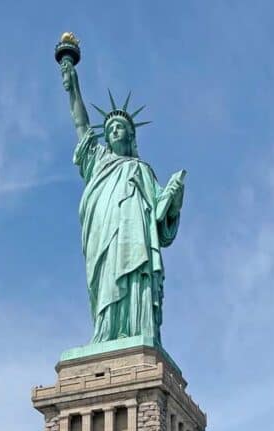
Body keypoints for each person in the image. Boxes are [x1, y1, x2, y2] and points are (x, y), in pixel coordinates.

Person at [60, 53, 185, 347]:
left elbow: (161, 219)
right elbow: (81, 125)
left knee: (136, 276)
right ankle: (106, 333)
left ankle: (138, 332)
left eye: (122, 128)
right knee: (106, 280)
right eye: (111, 128)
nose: (115, 130)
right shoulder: (98, 161)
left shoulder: (142, 170)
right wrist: (72, 87)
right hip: (103, 235)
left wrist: (174, 198)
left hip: (135, 240)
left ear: (131, 137)